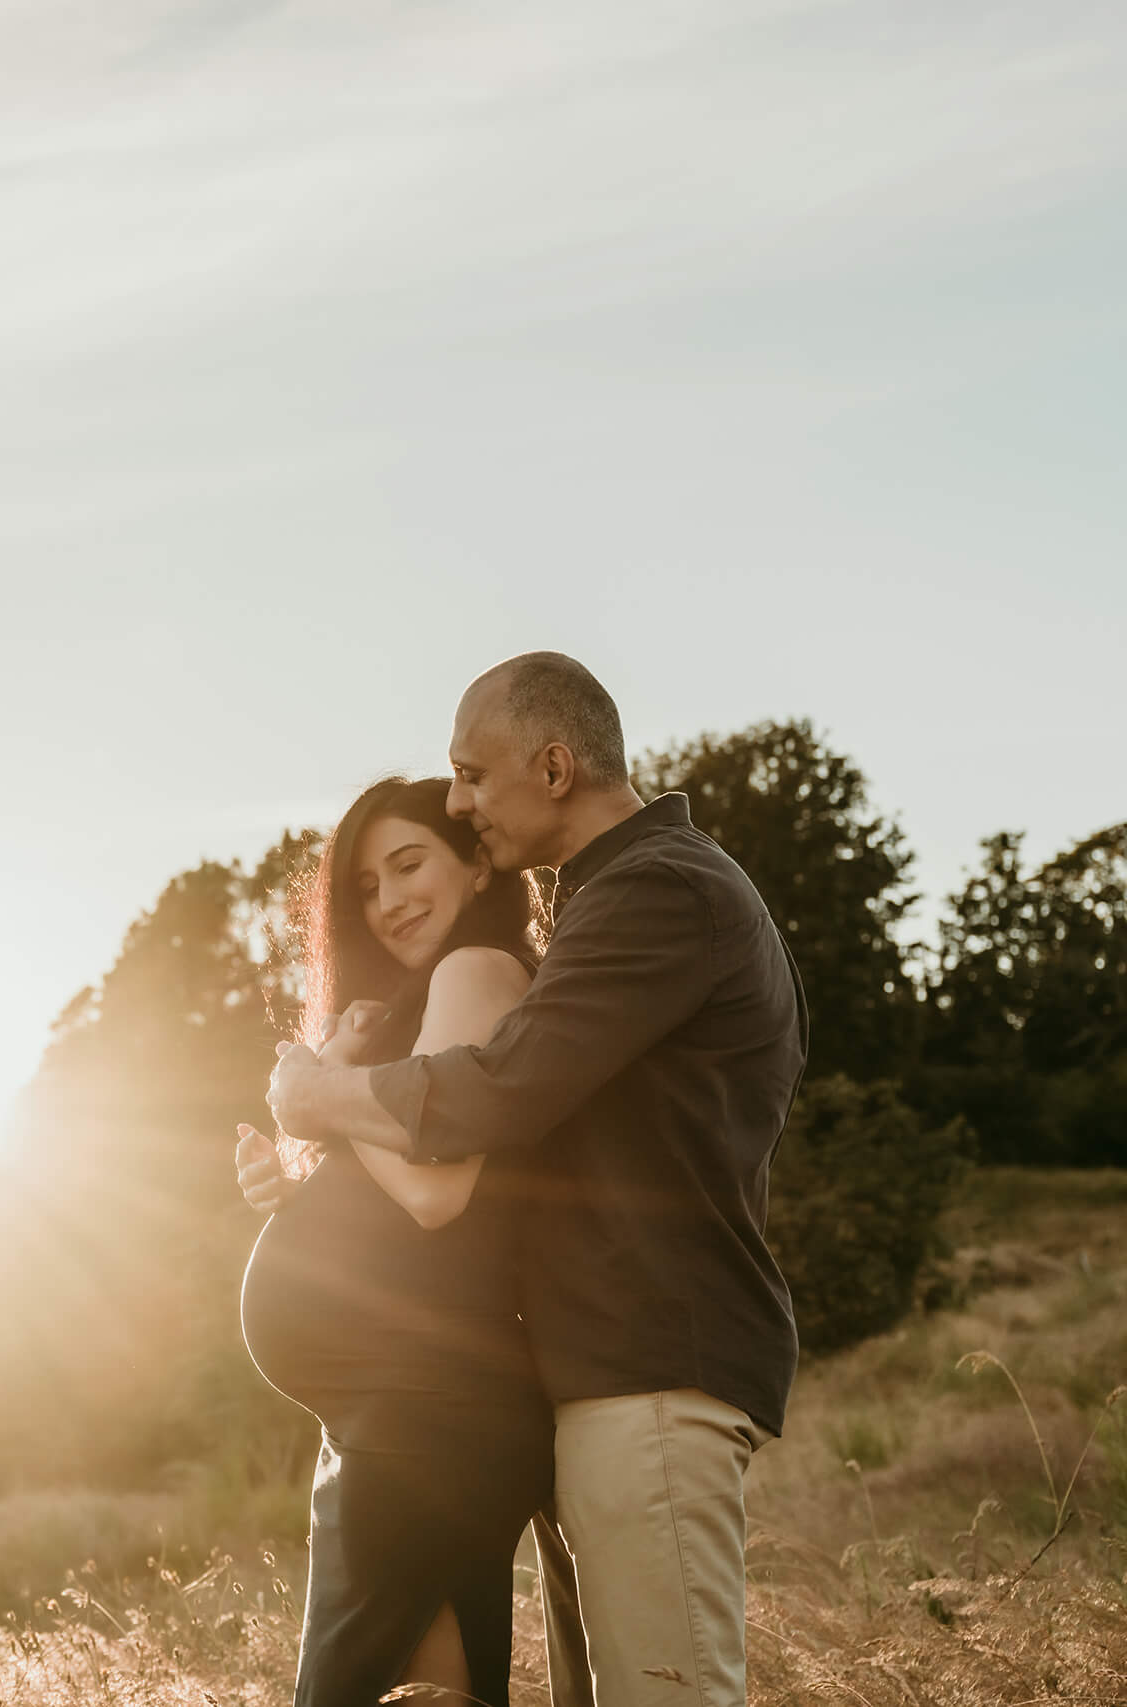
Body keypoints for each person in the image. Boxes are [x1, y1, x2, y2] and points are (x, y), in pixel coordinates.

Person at [251, 651, 806, 1707]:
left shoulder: (662, 892)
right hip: (595, 1372)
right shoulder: (614, 900)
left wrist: (320, 1097)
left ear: (552, 768)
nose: (461, 802)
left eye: (471, 773)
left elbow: (493, 1094)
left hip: (647, 1367)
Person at [236, 774, 564, 1707]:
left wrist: (322, 1103)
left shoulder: (478, 969)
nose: (388, 901)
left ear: (473, 863)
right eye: (367, 887)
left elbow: (435, 1188)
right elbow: (410, 1213)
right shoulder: (427, 1002)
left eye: (409, 864)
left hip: (428, 1420)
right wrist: (296, 1186)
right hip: (397, 1422)